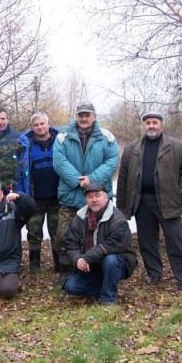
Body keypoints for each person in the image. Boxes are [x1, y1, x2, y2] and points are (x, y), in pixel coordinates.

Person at [116, 112, 182, 290]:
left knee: (175, 240)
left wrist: (180, 194)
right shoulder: (131, 149)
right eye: (148, 123)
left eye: (155, 123)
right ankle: (154, 273)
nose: (151, 126)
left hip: (168, 201)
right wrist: (122, 205)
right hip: (142, 201)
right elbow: (123, 178)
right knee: (147, 241)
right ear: (144, 126)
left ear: (161, 125)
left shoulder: (176, 146)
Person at [53, 101, 120, 284]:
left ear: (94, 116)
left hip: (97, 197)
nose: (84, 118)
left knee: (97, 235)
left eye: (87, 114)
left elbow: (112, 161)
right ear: (76, 116)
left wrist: (92, 180)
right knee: (64, 235)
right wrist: (78, 180)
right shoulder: (63, 137)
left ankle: (98, 269)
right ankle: (67, 270)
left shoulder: (107, 138)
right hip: (70, 196)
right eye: (81, 114)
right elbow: (59, 162)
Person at [63, 183, 137, 305]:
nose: (94, 200)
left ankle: (108, 299)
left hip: (119, 262)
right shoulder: (79, 218)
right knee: (71, 287)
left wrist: (87, 257)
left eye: (97, 196)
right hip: (92, 265)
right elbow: (70, 244)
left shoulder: (118, 219)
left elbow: (114, 245)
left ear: (106, 197)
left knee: (110, 260)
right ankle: (106, 289)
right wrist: (78, 259)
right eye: (90, 197)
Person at [15, 112, 61, 273]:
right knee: (33, 231)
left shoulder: (61, 141)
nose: (40, 127)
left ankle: (59, 263)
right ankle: (35, 265)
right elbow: (19, 172)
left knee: (57, 231)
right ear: (32, 127)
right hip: (35, 197)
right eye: (36, 125)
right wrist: (22, 195)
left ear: (48, 124)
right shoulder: (25, 145)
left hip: (57, 197)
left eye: (42, 124)